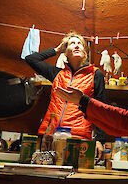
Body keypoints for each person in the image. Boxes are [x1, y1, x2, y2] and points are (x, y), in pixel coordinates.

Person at [25, 31, 106, 160]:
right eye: (72, 43)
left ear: (85, 52)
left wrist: (100, 140)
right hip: (49, 137)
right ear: (65, 51)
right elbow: (30, 59)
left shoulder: (96, 75)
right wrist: (56, 50)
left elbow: (101, 109)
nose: (77, 45)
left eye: (80, 43)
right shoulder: (57, 74)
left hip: (78, 139)